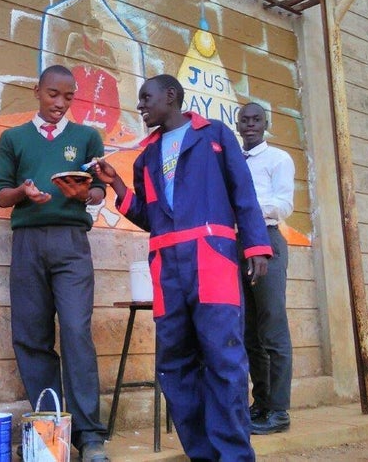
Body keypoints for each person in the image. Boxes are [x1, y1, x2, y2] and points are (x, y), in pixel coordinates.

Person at [94, 74, 272, 461]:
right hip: (167, 267)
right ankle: (203, 454)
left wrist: (257, 244)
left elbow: (244, 193)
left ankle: (235, 456)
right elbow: (152, 217)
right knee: (174, 365)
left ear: (171, 96)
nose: (140, 106)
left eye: (147, 98)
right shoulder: (145, 158)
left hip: (212, 258)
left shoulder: (216, 136)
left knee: (224, 359)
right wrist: (119, 188)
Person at [0, 65, 109, 462]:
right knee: (31, 335)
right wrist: (23, 192)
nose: (60, 103)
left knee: (76, 331)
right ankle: (48, 428)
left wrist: (83, 195)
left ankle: (90, 436)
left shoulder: (87, 137)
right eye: (52, 94)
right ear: (37, 91)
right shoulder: (13, 139)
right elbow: (1, 195)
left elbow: (98, 191)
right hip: (27, 243)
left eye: (68, 97)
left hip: (71, 244)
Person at [237, 102, 295, 435]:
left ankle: (279, 411)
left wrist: (246, 209)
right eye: (244, 120)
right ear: (238, 125)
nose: (250, 125)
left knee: (272, 325)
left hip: (268, 239)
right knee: (249, 332)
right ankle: (260, 404)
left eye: (256, 120)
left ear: (266, 123)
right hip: (237, 244)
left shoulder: (279, 159)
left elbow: (285, 204)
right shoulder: (234, 161)